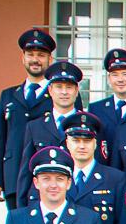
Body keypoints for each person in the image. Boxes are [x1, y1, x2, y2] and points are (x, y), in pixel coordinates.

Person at [0, 28, 59, 210]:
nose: (35, 60)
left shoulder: (60, 94)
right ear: (23, 58)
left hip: (49, 177)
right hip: (13, 176)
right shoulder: (8, 96)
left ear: (50, 59)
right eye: (30, 55)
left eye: (41, 55)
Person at [14, 60, 90, 201]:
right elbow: (26, 172)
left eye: (69, 87)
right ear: (50, 90)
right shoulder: (34, 127)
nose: (64, 92)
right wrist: (22, 205)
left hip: (79, 200)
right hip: (42, 200)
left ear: (76, 91)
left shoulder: (89, 126)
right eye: (59, 87)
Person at [87, 47, 126, 161]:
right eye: (115, 75)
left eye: (125, 74)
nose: (120, 79)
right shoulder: (96, 109)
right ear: (109, 78)